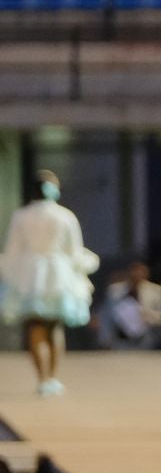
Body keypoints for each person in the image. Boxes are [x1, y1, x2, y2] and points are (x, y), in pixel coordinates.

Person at [0, 169, 99, 395]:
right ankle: (53, 377)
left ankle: (42, 378)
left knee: (34, 326)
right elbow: (74, 251)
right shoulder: (65, 216)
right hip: (58, 273)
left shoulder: (21, 216)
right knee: (54, 326)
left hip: (29, 275)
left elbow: (13, 250)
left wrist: (11, 272)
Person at [100, 260, 161, 350]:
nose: (136, 276)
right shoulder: (115, 291)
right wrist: (105, 339)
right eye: (134, 273)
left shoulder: (157, 291)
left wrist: (148, 315)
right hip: (120, 340)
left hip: (146, 339)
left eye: (140, 273)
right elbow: (106, 315)